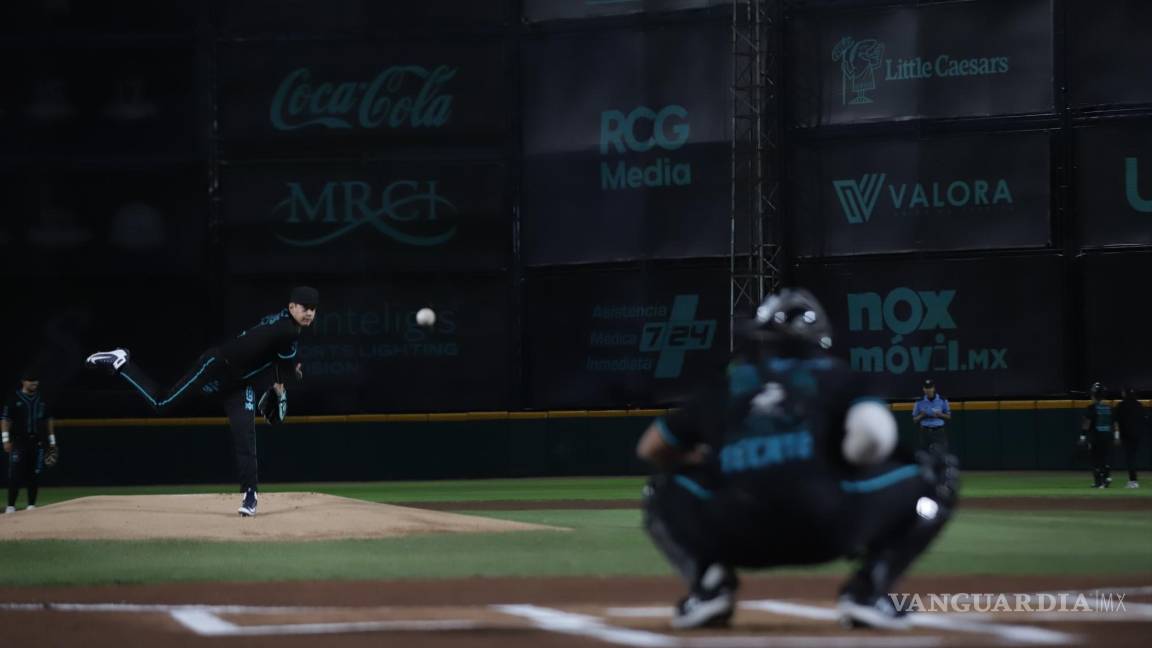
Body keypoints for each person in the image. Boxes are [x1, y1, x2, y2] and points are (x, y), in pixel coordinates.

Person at [636, 289, 958, 630]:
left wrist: (703, 460)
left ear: (760, 337)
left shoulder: (725, 387)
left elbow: (651, 449)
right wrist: (846, 463)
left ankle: (709, 586)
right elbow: (873, 438)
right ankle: (869, 590)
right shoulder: (840, 377)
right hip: (828, 528)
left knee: (660, 489)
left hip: (737, 534)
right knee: (938, 475)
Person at [86, 286, 318, 516]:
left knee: (245, 436)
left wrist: (283, 378)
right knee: (162, 404)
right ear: (291, 307)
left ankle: (250, 494)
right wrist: (285, 381)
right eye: (305, 307)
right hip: (214, 367)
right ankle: (122, 363)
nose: (309, 313)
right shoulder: (288, 330)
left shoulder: (284, 324)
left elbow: (276, 358)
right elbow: (284, 364)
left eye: (313, 309)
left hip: (238, 384)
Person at [1, 371, 58, 513]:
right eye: (31, 381)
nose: (34, 383)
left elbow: (48, 419)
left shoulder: (41, 398)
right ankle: (10, 506)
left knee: (34, 474)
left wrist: (52, 440)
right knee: (15, 474)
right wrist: (5, 439)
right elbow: (5, 419)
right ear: (23, 382)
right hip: (19, 442)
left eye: (36, 381)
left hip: (37, 442)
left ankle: (31, 505)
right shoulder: (14, 398)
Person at [1080, 382, 1118, 489]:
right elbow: (1115, 423)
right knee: (1105, 458)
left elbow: (1087, 423)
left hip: (1096, 437)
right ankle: (1107, 478)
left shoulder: (1091, 408)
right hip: (1108, 436)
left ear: (1093, 395)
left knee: (1095, 460)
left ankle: (1100, 482)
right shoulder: (1109, 407)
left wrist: (1082, 436)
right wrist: (1117, 436)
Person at [1115, 386, 1147, 488]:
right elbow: (1143, 420)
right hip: (1137, 435)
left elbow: (1116, 422)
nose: (1122, 393)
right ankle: (1133, 480)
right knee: (1132, 457)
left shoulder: (1121, 405)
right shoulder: (1139, 405)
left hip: (1127, 435)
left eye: (1123, 392)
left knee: (1130, 458)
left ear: (1125, 393)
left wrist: (1117, 436)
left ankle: (1133, 481)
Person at [912, 379, 950, 452]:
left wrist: (940, 414)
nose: (928, 390)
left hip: (938, 431)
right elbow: (914, 420)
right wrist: (922, 415)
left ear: (933, 388)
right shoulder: (919, 401)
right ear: (923, 389)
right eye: (926, 388)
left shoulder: (942, 400)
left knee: (942, 453)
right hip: (925, 431)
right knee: (924, 454)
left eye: (930, 388)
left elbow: (948, 416)